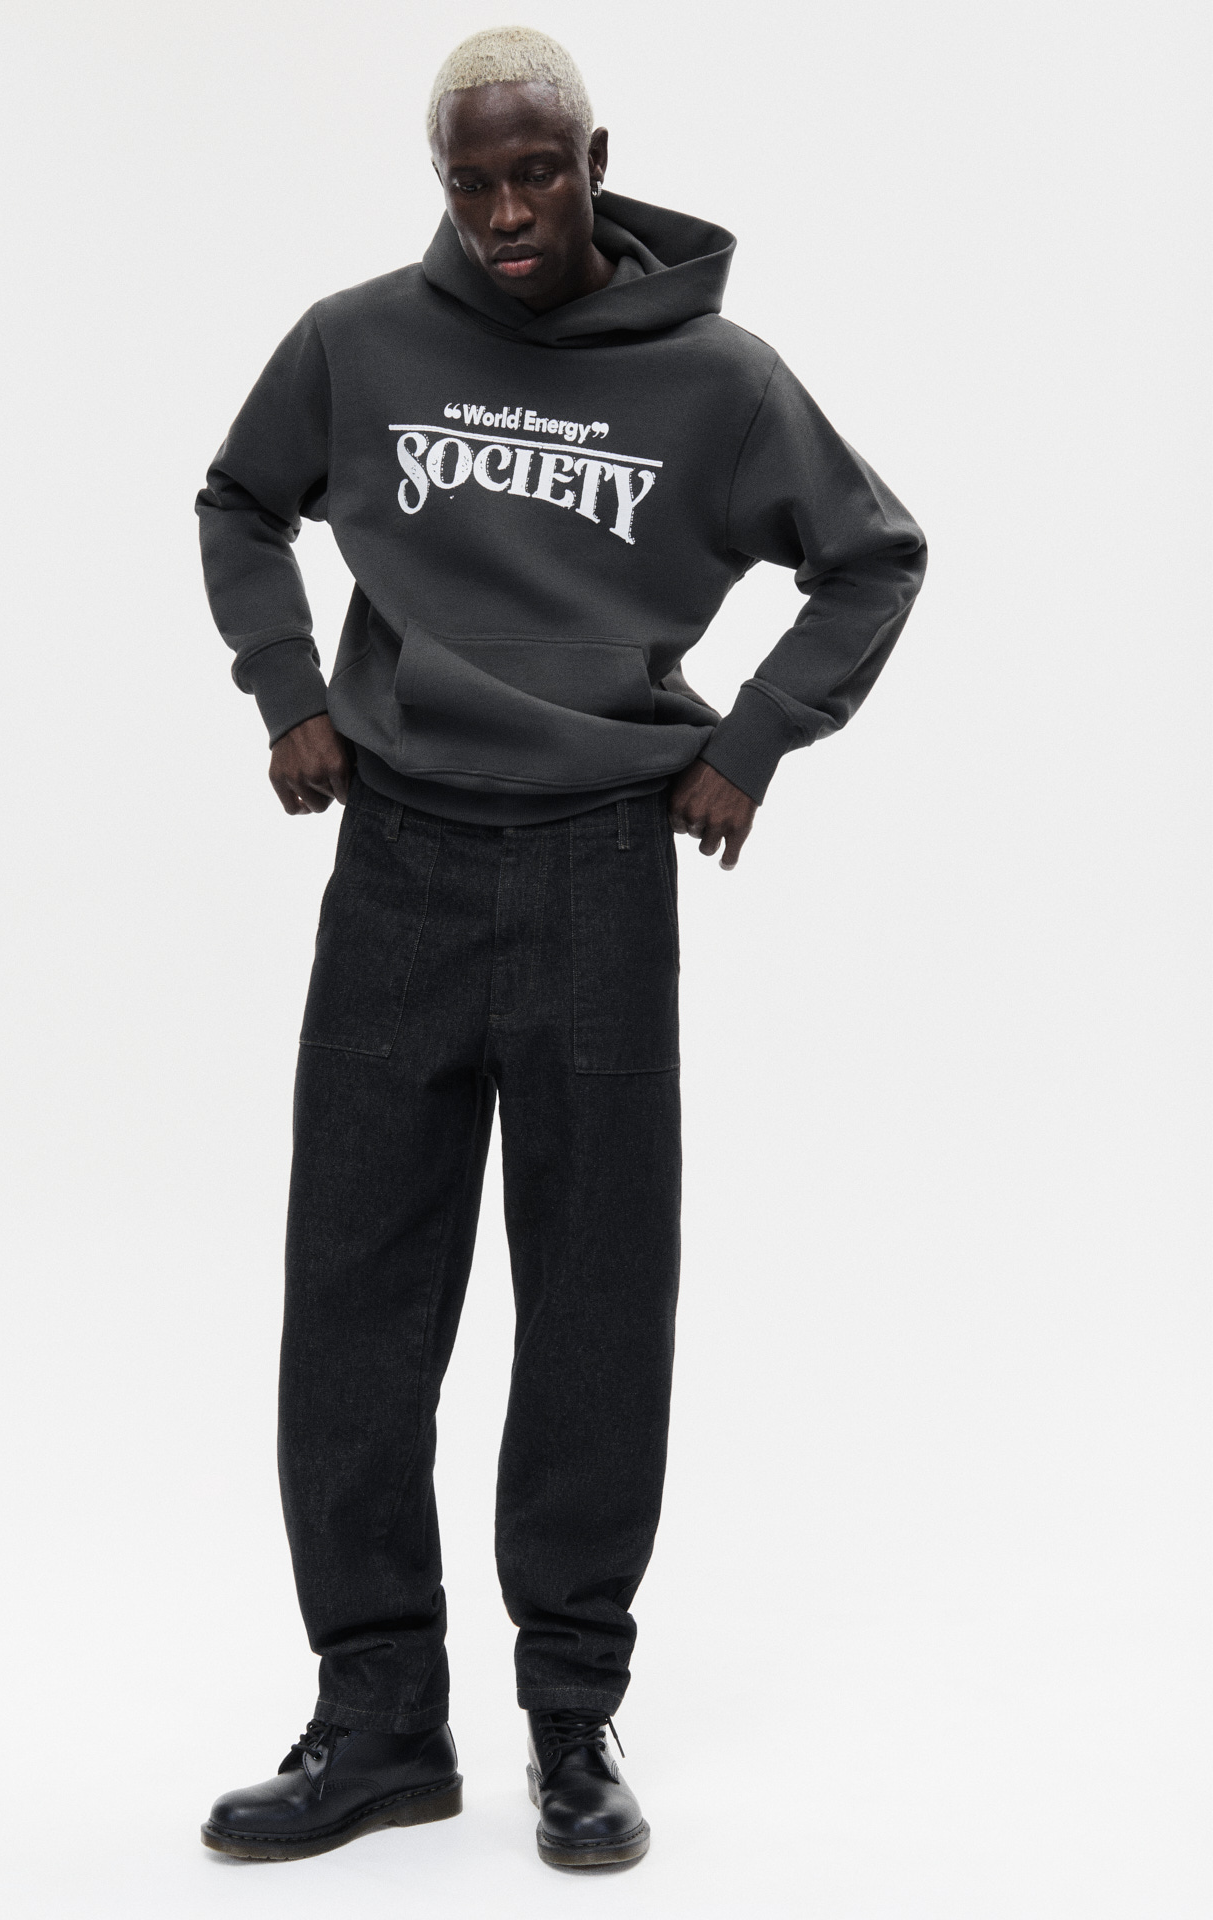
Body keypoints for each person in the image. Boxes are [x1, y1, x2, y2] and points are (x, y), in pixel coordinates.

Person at [195, 25, 925, 1869]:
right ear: (439, 180)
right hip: (398, 862)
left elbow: (872, 553)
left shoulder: (719, 379)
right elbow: (239, 500)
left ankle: (572, 1718)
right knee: (355, 1301)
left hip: (603, 866)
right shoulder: (357, 340)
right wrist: (288, 689)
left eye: (539, 173)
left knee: (596, 1304)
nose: (509, 214)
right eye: (473, 182)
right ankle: (378, 1718)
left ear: (597, 159)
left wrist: (754, 742)